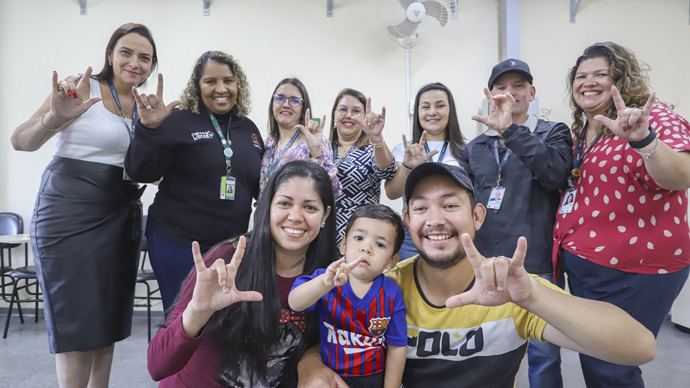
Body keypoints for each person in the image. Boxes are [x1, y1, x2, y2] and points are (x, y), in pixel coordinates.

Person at [299, 162, 656, 388]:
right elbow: (336, 339)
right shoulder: (387, 284)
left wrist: (532, 295)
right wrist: (309, 367)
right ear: (408, 223)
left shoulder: (512, 288)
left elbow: (640, 347)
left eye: (451, 205)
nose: (435, 219)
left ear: (478, 216)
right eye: (421, 208)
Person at [10, 23, 156, 387]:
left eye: (145, 57)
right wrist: (56, 118)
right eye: (126, 52)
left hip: (119, 215)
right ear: (110, 54)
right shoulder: (82, 86)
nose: (134, 62)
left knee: (105, 321)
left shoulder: (143, 108)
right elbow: (21, 141)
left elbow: (147, 169)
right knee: (77, 323)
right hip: (68, 212)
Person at [553, 42, 690, 387]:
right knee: (597, 360)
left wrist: (645, 141)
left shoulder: (651, 118)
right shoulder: (585, 131)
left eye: (600, 74)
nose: (589, 82)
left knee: (612, 367)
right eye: (581, 76)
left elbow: (681, 174)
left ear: (621, 78)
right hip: (587, 268)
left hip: (633, 270)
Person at [147, 159, 338, 387]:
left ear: (325, 215)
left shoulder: (330, 273)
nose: (296, 216)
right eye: (285, 203)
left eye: (310, 207)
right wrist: (198, 313)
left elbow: (329, 336)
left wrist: (312, 358)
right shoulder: (230, 258)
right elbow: (157, 366)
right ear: (267, 206)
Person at [125, 51, 264, 311]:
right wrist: (149, 130)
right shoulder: (177, 120)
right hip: (178, 243)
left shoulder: (249, 129)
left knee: (222, 324)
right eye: (210, 81)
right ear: (198, 86)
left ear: (238, 85)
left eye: (228, 81)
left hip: (229, 249)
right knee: (182, 321)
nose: (221, 89)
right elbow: (139, 172)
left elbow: (259, 188)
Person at [463, 58, 572, 388]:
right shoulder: (477, 146)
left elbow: (555, 174)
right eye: (501, 87)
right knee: (486, 352)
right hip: (485, 265)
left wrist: (510, 130)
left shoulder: (554, 132)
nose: (509, 93)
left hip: (535, 264)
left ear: (532, 92)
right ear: (490, 95)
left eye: (518, 86)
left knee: (544, 355)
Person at [289, 204, 407, 388]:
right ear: (343, 244)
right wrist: (324, 284)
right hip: (328, 375)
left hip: (373, 378)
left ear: (392, 261)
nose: (367, 248)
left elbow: (397, 347)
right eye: (359, 238)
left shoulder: (392, 294)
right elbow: (295, 303)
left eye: (380, 244)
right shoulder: (326, 278)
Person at [385, 82, 468, 260]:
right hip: (413, 230)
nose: (432, 112)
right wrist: (407, 166)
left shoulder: (469, 149)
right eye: (425, 107)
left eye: (440, 105)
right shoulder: (403, 149)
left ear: (450, 110)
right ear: (418, 113)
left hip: (455, 229)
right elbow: (392, 193)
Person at [328, 88, 397, 242]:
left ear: (365, 116)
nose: (349, 115)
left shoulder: (371, 148)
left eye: (356, 111)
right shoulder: (323, 148)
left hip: (362, 235)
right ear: (334, 114)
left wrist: (377, 139)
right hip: (323, 233)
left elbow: (388, 171)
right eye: (343, 109)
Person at [260, 78, 340, 196]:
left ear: (304, 107)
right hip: (265, 213)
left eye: (295, 100)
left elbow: (334, 190)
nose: (286, 104)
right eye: (280, 98)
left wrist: (316, 151)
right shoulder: (268, 143)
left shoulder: (315, 142)